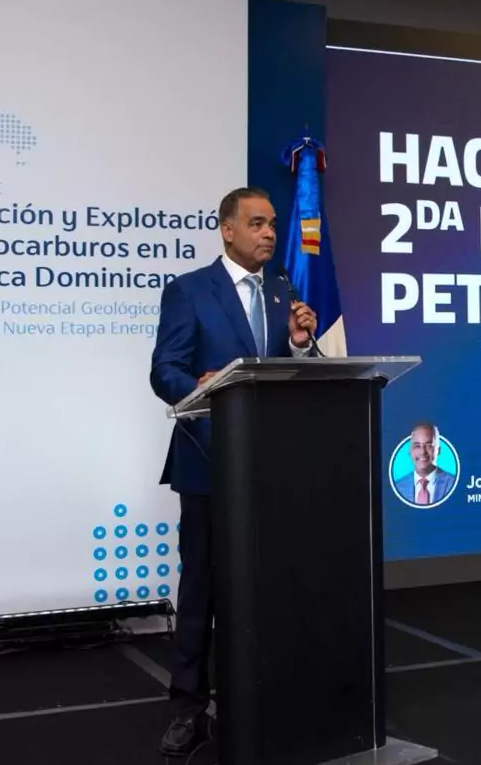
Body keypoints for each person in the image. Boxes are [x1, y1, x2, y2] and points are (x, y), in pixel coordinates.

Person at [149, 186, 318, 756]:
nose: (269, 233)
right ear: (227, 230)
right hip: (207, 464)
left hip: (269, 465)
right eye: (257, 223)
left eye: (272, 224)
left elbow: (291, 372)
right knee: (202, 589)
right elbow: (164, 370)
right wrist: (198, 386)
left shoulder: (281, 291)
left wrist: (300, 344)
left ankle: (261, 695)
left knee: (268, 589)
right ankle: (188, 709)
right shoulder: (190, 290)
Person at [393, 422, 458, 507]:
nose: (422, 452)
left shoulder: (452, 484)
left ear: (438, 450)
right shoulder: (399, 487)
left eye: (429, 445)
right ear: (410, 451)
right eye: (417, 446)